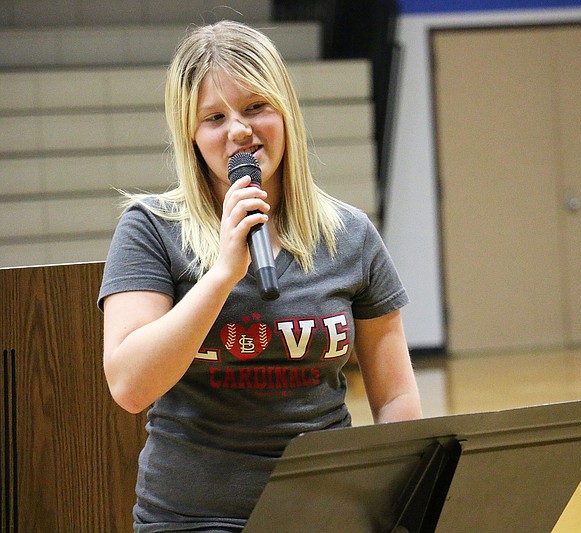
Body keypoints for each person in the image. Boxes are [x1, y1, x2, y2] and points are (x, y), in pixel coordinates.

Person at [98, 20, 422, 532]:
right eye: (214, 117)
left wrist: (395, 503)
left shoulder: (349, 233)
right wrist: (223, 274)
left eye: (255, 107)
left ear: (285, 111)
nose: (238, 131)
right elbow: (130, 386)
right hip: (193, 519)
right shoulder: (151, 229)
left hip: (327, 513)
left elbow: (397, 397)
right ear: (191, 134)